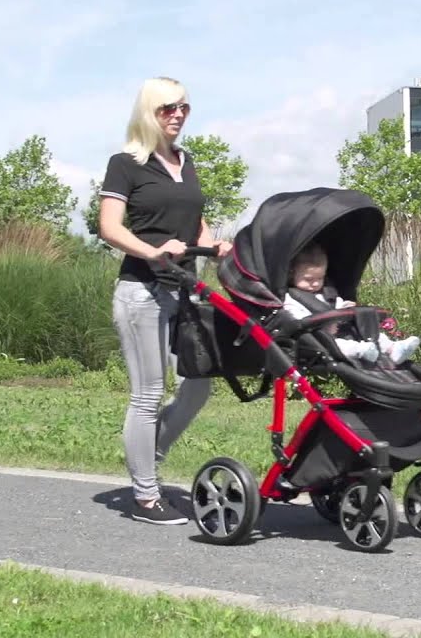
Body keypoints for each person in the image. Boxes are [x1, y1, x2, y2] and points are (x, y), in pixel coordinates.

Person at [97, 76, 233, 526]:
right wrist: (153, 251)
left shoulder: (185, 162)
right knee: (149, 393)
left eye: (184, 108)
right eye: (168, 108)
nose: (177, 115)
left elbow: (194, 222)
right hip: (142, 290)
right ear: (149, 112)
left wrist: (213, 246)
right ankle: (145, 496)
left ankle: (147, 453)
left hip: (184, 289)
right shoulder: (126, 164)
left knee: (198, 384)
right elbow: (110, 227)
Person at [282, 243, 421, 364]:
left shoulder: (326, 293)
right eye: (309, 279)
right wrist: (325, 325)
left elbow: (336, 305)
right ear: (291, 274)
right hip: (318, 339)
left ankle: (392, 348)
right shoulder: (291, 299)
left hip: (341, 328)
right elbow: (298, 321)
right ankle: (362, 351)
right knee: (340, 345)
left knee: (367, 329)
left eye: (320, 278)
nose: (316, 283)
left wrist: (346, 308)